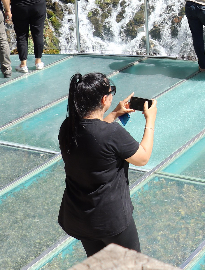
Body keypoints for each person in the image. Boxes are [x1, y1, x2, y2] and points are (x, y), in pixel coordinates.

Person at [58, 72, 157, 257]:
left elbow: (95, 136)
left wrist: (114, 113)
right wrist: (150, 120)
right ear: (105, 99)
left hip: (80, 216)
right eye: (112, 91)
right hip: (110, 219)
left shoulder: (68, 127)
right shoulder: (112, 133)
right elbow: (143, 158)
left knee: (101, 269)